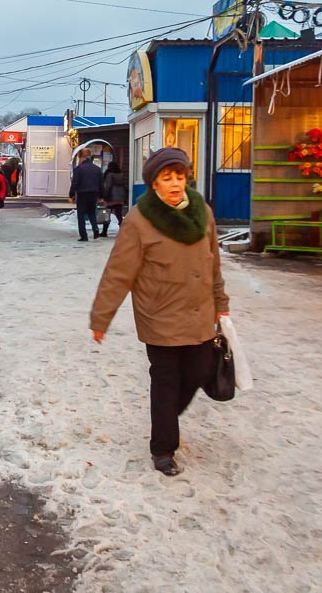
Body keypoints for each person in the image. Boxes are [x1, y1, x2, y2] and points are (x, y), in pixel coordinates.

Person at [89, 147, 229, 476]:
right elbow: (118, 274)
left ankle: (164, 417)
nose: (176, 184)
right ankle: (163, 448)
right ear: (154, 184)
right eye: (167, 179)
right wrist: (101, 319)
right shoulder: (139, 221)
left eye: (180, 177)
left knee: (198, 372)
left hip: (198, 313)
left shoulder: (202, 212)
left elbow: (214, 264)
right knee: (165, 381)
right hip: (160, 315)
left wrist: (221, 304)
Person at [69, 149, 103, 242]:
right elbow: (101, 183)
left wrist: (71, 194)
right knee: (92, 213)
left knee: (81, 215)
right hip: (94, 194)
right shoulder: (97, 169)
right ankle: (96, 230)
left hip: (82, 194)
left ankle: (84, 235)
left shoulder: (78, 169)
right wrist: (101, 195)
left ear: (82, 157)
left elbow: (75, 183)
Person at [99, 160, 128, 238]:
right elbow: (125, 186)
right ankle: (123, 231)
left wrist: (105, 195)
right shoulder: (121, 175)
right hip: (120, 197)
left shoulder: (109, 175)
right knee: (119, 215)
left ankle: (104, 232)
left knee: (107, 214)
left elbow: (108, 186)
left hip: (111, 197)